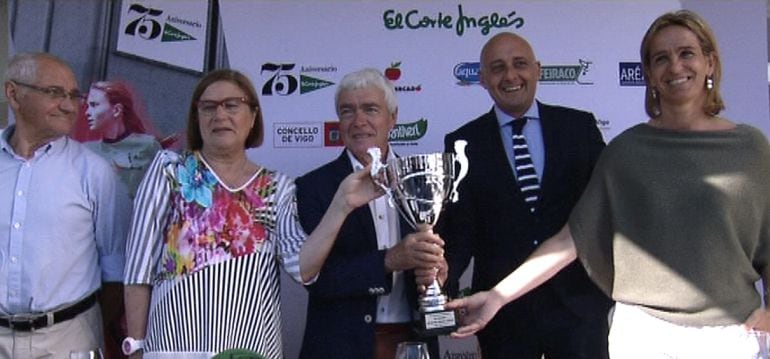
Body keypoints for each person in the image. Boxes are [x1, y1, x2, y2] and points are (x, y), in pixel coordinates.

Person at [446, 10, 770, 358]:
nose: (675, 67)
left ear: (710, 62)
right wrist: (498, 296)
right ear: (649, 74)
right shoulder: (626, 151)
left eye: (686, 53)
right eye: (661, 58)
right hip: (643, 335)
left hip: (728, 335)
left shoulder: (750, 147)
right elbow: (572, 238)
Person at [123, 69, 382, 358]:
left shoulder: (276, 186)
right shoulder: (168, 170)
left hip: (252, 351)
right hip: (174, 350)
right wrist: (136, 347)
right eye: (209, 107)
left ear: (253, 116)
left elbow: (303, 268)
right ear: (197, 117)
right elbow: (138, 269)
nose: (220, 115)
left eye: (232, 105)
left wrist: (342, 205)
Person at [438, 32, 613, 358]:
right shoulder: (463, 143)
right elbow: (462, 232)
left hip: (579, 307)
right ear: (483, 79)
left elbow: (606, 211)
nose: (511, 76)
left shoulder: (579, 127)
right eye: (498, 67)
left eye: (520, 64)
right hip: (502, 316)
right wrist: (440, 284)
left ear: (538, 69)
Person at [294, 68, 446, 359]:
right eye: (347, 111)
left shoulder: (426, 182)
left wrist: (439, 275)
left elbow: (448, 258)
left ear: (393, 118)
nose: (359, 121)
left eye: (370, 109)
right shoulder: (313, 187)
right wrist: (389, 261)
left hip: (414, 342)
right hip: (340, 347)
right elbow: (316, 279)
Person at [0, 53, 128, 357]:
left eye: (74, 95)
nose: (70, 106)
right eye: (55, 93)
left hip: (67, 342)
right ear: (14, 94)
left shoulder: (95, 173)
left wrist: (74, 327)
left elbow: (118, 273)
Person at [82, 80, 162, 199]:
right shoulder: (86, 150)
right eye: (88, 106)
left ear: (116, 110)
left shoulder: (148, 146)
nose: (87, 112)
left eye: (94, 105)